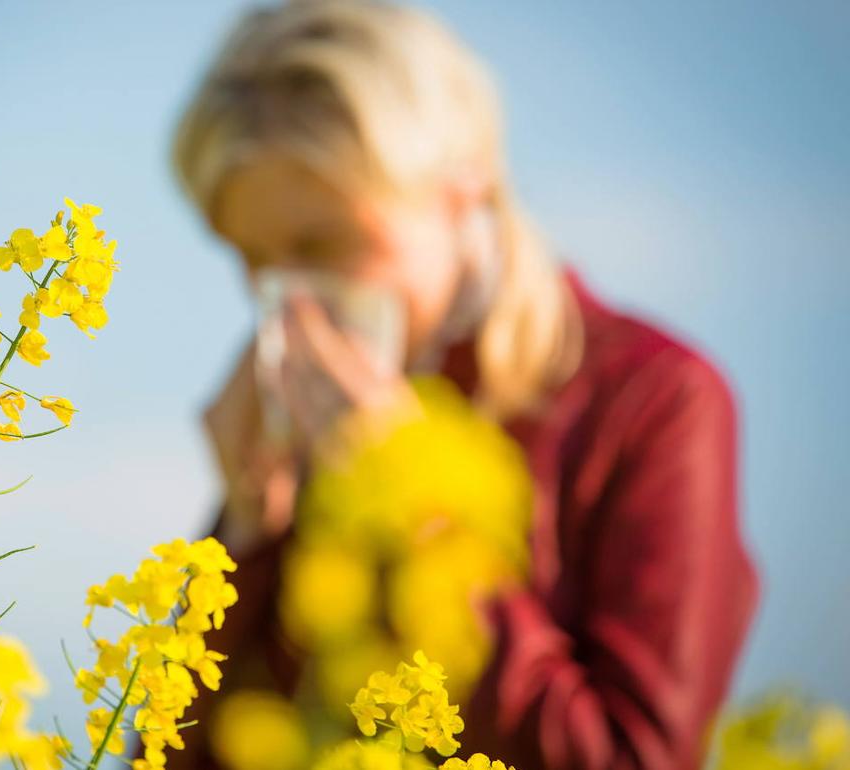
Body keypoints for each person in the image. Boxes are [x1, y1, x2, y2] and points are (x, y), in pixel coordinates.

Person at [162, 1, 759, 768]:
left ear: (460, 189)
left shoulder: (654, 401)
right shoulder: (303, 425)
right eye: (250, 255)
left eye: (322, 242)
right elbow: (168, 752)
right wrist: (243, 538)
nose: (291, 297)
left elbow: (635, 755)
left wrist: (410, 508)